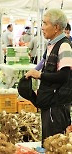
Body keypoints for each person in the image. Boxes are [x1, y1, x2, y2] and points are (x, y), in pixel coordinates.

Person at [25, 9, 72, 146]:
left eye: (45, 23)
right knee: (47, 141)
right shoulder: (52, 44)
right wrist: (34, 71)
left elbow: (64, 76)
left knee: (56, 143)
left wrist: (39, 75)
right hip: (50, 102)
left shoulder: (64, 46)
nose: (42, 27)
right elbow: (44, 62)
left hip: (57, 105)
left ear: (56, 27)